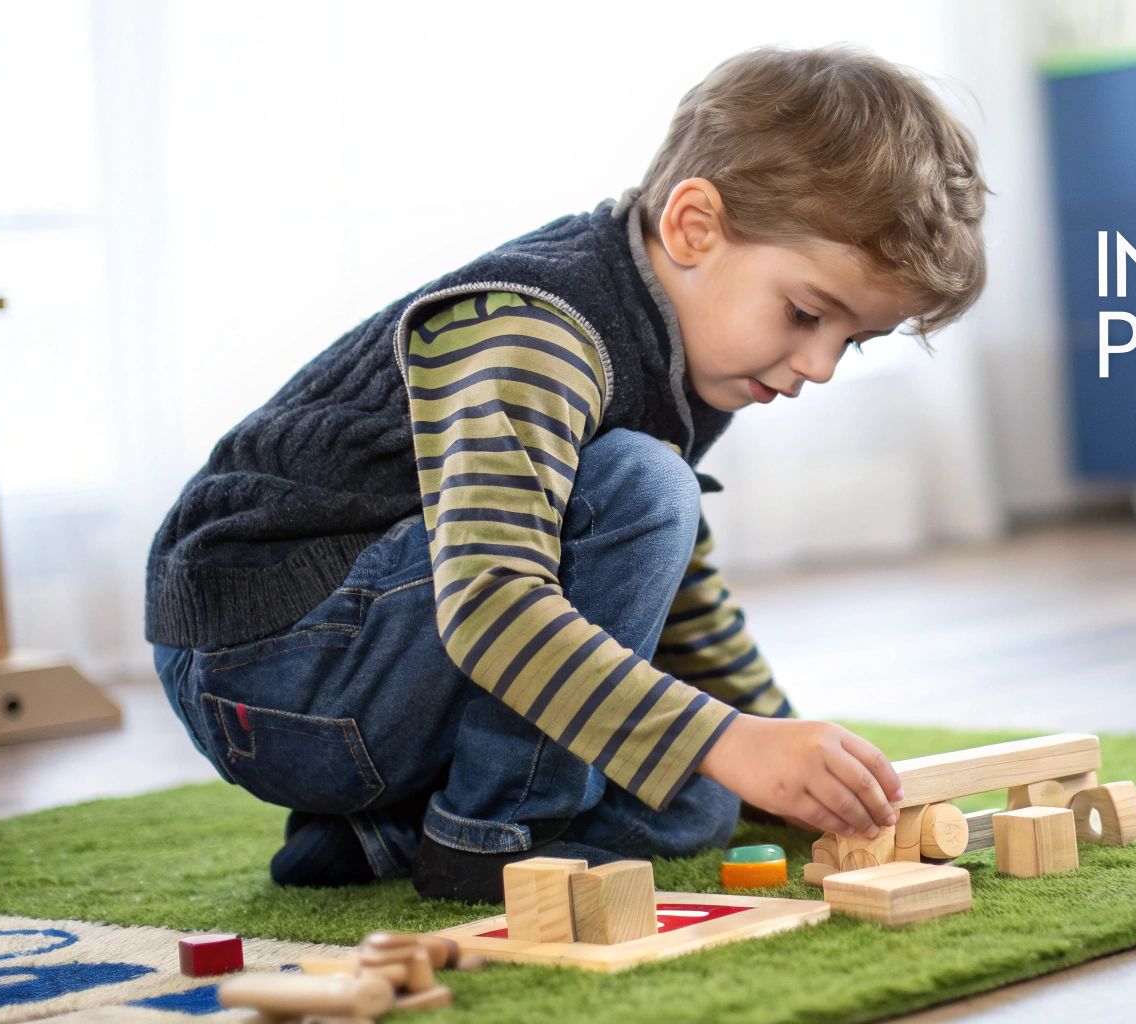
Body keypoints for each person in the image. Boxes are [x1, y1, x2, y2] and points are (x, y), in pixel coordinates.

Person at [143, 43, 989, 903]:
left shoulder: (703, 352)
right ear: (694, 226)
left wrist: (771, 751)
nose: (817, 366)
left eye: (850, 341)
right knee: (648, 502)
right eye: (807, 313)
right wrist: (730, 737)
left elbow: (668, 594)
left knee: (702, 805)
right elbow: (492, 601)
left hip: (376, 677)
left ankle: (378, 836)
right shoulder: (540, 329)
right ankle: (491, 836)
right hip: (268, 667)